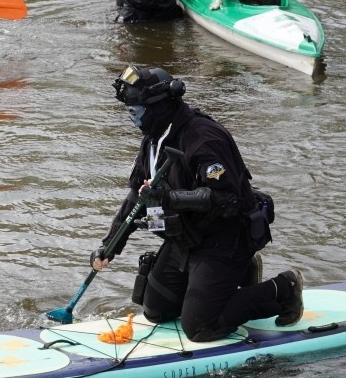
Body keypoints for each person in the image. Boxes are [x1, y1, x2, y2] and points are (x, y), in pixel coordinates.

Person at [90, 65, 304, 342]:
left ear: (159, 105)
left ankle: (284, 288)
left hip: (224, 237)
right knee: (156, 310)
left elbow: (228, 199)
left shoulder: (204, 138)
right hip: (185, 237)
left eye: (136, 108)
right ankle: (243, 271)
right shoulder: (153, 140)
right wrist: (110, 245)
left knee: (201, 327)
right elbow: (136, 196)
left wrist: (169, 198)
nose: (131, 115)